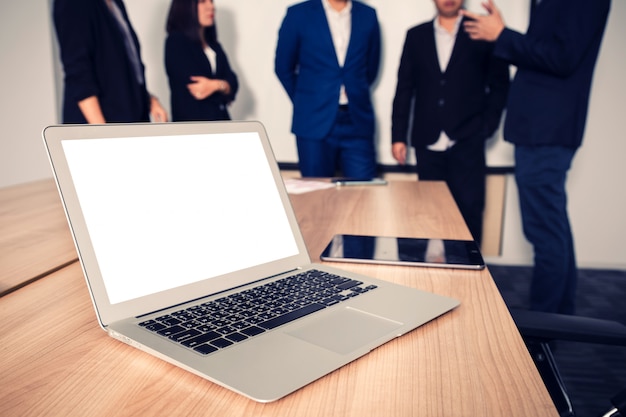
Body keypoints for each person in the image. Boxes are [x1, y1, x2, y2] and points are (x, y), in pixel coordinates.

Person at [462, 0, 611, 314]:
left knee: (543, 229)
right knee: (550, 224)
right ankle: (560, 317)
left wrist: (502, 35)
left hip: (548, 127)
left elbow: (563, 57)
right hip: (539, 126)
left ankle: (545, 324)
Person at [391, 0, 510, 245]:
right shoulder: (416, 35)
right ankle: (429, 279)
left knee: (469, 210)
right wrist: (398, 136)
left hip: (468, 138)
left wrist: (486, 128)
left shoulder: (481, 29)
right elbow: (404, 88)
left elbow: (500, 84)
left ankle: (468, 277)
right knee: (427, 212)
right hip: (427, 138)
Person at [275, 0, 381, 179]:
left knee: (365, 192)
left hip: (356, 121)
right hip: (313, 122)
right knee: (316, 195)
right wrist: (307, 101)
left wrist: (352, 89)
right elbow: (283, 68)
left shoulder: (368, 15)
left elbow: (371, 68)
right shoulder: (298, 14)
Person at [53, 0, 167, 124]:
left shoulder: (116, 4)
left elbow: (123, 66)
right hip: (99, 123)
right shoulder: (72, 3)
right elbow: (78, 73)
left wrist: (150, 100)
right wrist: (103, 133)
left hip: (128, 118)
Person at [165, 0, 238, 122]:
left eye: (211, 1)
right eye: (203, 1)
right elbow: (197, 88)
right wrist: (224, 86)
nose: (211, 7)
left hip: (221, 124)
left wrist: (215, 85)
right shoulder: (176, 41)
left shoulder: (214, 45)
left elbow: (234, 81)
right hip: (194, 127)